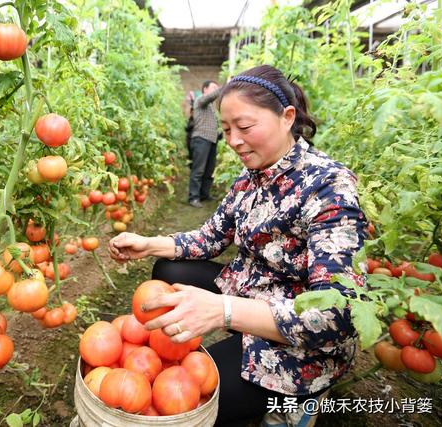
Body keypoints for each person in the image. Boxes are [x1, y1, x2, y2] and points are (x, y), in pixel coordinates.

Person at [109, 64, 368, 427]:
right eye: (227, 129)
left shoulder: (330, 188)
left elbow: (337, 314)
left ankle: (297, 403)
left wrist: (223, 310)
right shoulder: (249, 179)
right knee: (168, 270)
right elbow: (211, 237)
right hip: (252, 296)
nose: (232, 141)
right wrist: (151, 243)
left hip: (305, 340)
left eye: (244, 128)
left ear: (286, 117)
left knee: (205, 401)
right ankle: (235, 339)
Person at [188, 80, 222, 208]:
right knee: (198, 170)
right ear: (205, 89)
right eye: (213, 87)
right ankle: (193, 197)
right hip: (201, 139)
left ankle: (204, 194)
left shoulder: (211, 107)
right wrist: (225, 86)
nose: (215, 90)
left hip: (211, 140)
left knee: (209, 170)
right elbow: (210, 97)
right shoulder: (200, 100)